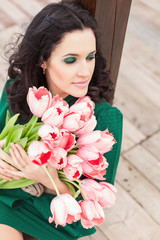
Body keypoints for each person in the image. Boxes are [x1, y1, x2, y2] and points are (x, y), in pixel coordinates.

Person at [0, 1, 123, 240]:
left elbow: (93, 197)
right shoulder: (16, 89)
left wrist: (48, 178)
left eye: (90, 57)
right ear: (42, 60)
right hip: (6, 194)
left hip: (54, 212)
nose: (85, 71)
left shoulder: (104, 118)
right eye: (71, 60)